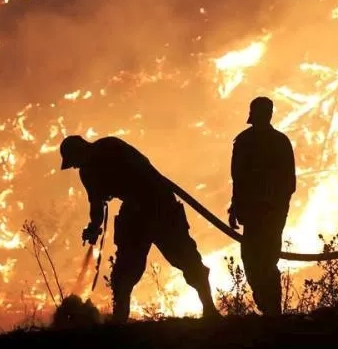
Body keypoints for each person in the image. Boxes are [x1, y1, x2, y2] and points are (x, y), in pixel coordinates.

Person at [59, 135, 220, 323]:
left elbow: (143, 169)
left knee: (187, 259)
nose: (75, 166)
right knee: (124, 272)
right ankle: (120, 321)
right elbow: (96, 204)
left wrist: (137, 200)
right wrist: (94, 227)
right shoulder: (87, 173)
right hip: (134, 212)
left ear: (80, 150)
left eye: (74, 161)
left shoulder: (111, 146)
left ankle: (210, 309)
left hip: (160, 205)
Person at [228, 96, 297, 315]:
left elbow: (289, 183)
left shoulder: (278, 142)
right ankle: (268, 308)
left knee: (266, 261)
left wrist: (275, 206)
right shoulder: (245, 142)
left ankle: (272, 311)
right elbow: (237, 179)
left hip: (270, 215)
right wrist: (235, 208)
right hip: (253, 214)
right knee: (251, 260)